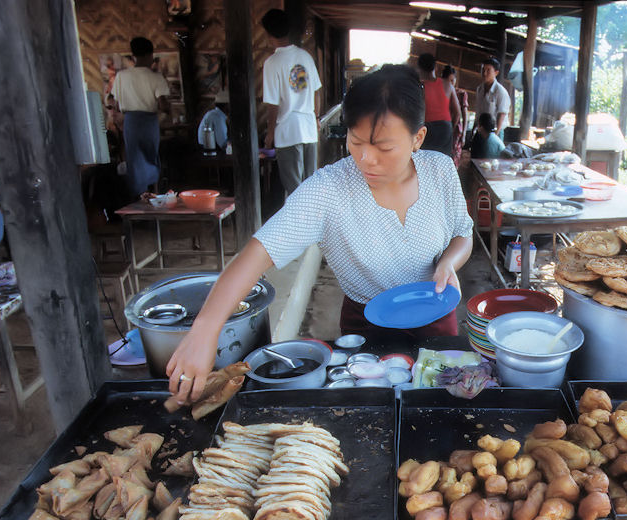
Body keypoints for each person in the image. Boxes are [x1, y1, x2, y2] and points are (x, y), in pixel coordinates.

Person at [165, 65, 473, 403]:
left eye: (384, 148)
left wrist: (448, 263)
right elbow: (256, 255)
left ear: (418, 138)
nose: (366, 160)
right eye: (355, 142)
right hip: (367, 329)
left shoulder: (440, 171)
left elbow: (463, 234)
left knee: (439, 407)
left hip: (435, 317)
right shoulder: (330, 189)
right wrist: (205, 330)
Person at [261, 9, 322, 196]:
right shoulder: (305, 56)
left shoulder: (272, 62)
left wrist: (270, 132)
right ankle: (313, 223)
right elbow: (316, 92)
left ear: (269, 35)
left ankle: (302, 224)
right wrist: (316, 117)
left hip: (288, 131)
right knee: (310, 185)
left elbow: (273, 103)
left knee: (294, 189)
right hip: (309, 129)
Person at [111, 37, 170, 197]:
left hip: (130, 122)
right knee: (151, 157)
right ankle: (156, 195)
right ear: (151, 55)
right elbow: (164, 105)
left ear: (133, 55)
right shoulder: (155, 77)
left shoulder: (121, 77)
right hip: (149, 121)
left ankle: (138, 197)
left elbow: (116, 105)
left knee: (135, 161)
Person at [416, 53, 460, 157]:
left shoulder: (418, 87)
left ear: (419, 68)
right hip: (445, 127)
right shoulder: (447, 84)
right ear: (435, 67)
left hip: (427, 129)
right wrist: (450, 128)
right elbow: (457, 113)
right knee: (443, 161)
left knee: (425, 161)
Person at [475, 57, 511, 138]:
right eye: (483, 70)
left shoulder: (500, 91)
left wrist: (495, 136)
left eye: (488, 70)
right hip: (481, 130)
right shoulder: (479, 89)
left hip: (495, 131)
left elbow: (502, 114)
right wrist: (475, 128)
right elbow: (478, 111)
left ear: (496, 73)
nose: (484, 73)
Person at [441, 65, 468, 167]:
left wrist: (464, 133)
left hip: (455, 131)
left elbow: (464, 115)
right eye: (448, 81)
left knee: (454, 158)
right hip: (443, 130)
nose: (451, 84)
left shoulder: (461, 94)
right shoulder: (440, 93)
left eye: (453, 80)